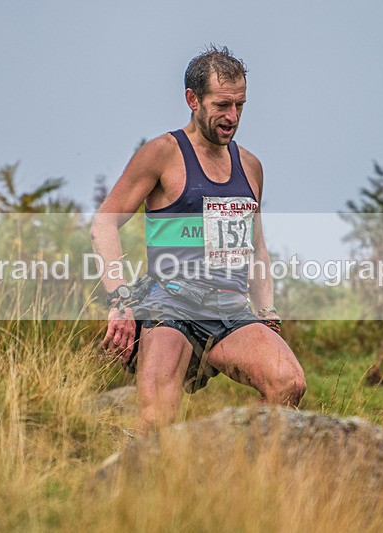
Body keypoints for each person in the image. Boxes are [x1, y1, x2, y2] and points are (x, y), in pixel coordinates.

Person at [90, 45, 306, 433]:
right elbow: (104, 224)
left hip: (229, 307)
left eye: (240, 105)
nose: (232, 117)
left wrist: (266, 309)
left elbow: (256, 247)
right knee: (156, 420)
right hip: (170, 302)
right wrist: (119, 298)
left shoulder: (250, 166)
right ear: (193, 100)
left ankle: (229, 462)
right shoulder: (162, 153)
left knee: (288, 384)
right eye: (222, 105)